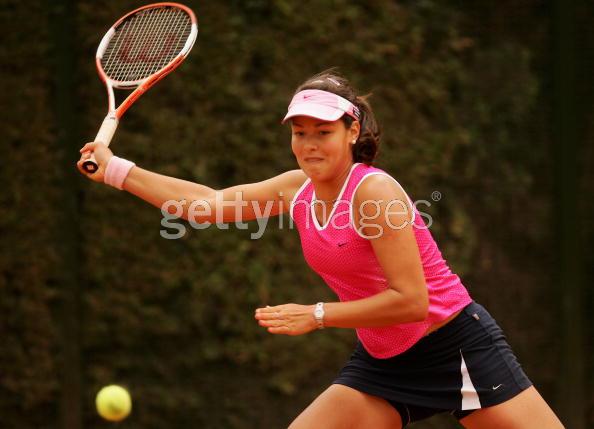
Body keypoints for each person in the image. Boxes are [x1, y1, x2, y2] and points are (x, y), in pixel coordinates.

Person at [77, 70, 565, 428]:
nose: (309, 144)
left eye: (324, 132)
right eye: (299, 132)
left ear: (353, 133)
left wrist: (316, 315)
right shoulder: (296, 189)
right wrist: (118, 170)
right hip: (385, 359)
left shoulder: (374, 194)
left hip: (454, 346)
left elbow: (412, 300)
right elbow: (204, 204)